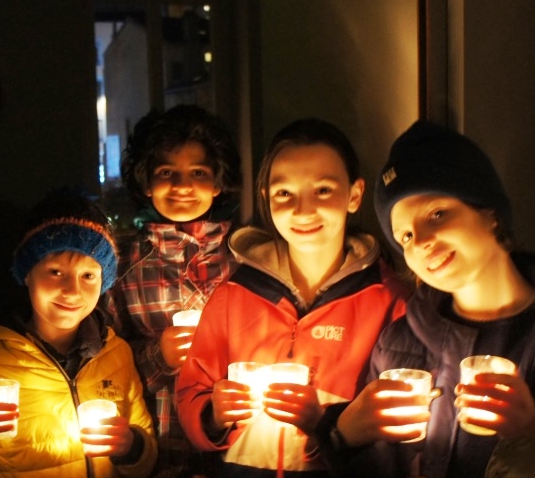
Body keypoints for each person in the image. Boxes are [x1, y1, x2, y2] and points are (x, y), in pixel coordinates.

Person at [314, 120, 535, 478]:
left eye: (437, 214)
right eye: (405, 236)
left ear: (490, 213)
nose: (421, 242)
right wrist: (344, 438)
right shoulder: (399, 342)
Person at [175, 118, 410, 477]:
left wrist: (326, 424)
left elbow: (399, 427)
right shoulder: (233, 295)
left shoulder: (390, 301)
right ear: (266, 198)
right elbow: (192, 390)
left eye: (323, 190)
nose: (303, 210)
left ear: (354, 195)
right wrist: (213, 415)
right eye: (285, 193)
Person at [0, 187, 157, 478]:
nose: (72, 291)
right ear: (27, 273)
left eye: (88, 275)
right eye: (55, 272)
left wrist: (131, 447)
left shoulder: (117, 355)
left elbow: (146, 459)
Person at [107, 104, 243, 478]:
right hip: (157, 447)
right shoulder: (124, 264)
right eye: (167, 173)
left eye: (198, 173)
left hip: (234, 449)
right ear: (146, 182)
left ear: (218, 182)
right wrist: (158, 355)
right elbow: (106, 364)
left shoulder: (243, 258)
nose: (183, 186)